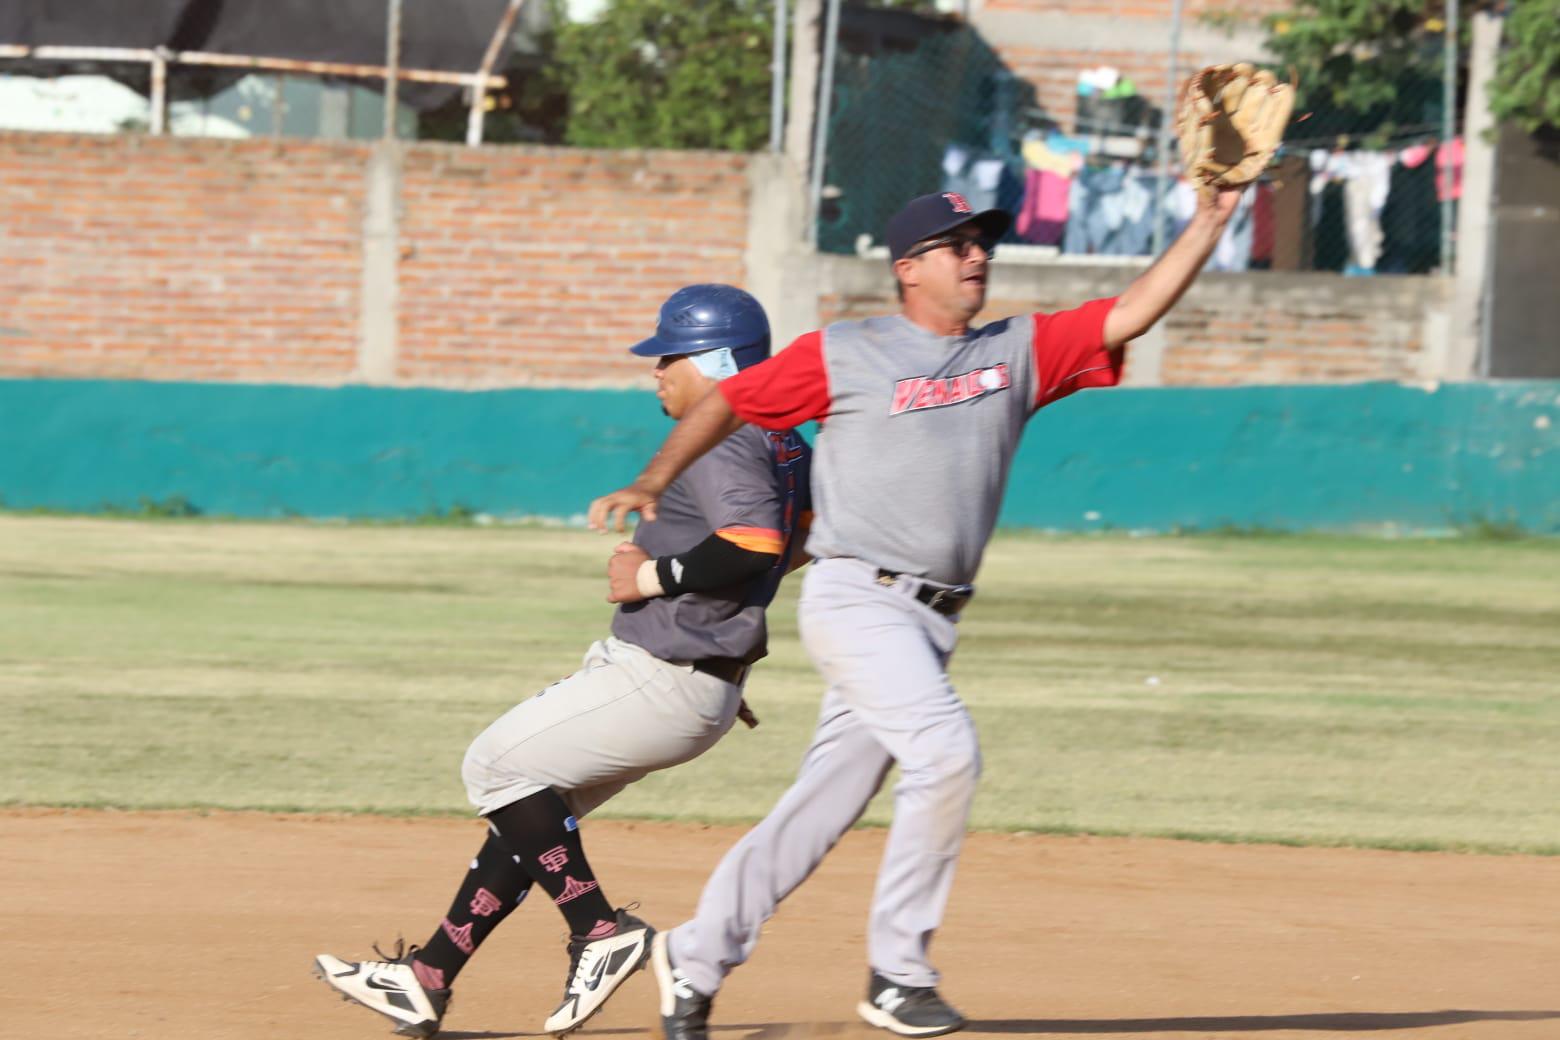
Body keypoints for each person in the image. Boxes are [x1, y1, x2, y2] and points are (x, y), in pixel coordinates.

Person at [588, 185, 1248, 1040]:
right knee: (946, 753)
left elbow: (1131, 313)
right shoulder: (848, 350)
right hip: (856, 596)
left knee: (820, 806)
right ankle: (899, 972)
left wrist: (1211, 217)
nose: (977, 255)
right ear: (908, 269)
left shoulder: (1020, 349)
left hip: (930, 622)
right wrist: (654, 476)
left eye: (981, 242)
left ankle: (698, 952)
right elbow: (731, 398)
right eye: (954, 243)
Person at [314, 284, 812, 1039]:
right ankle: (426, 979)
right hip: (690, 677)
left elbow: (756, 543)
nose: (657, 374)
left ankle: (599, 932)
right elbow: (805, 533)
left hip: (660, 677)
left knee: (493, 767)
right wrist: (728, 633)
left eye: (668, 357)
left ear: (714, 361)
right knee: (530, 823)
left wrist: (654, 578)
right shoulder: (785, 438)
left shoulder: (725, 434)